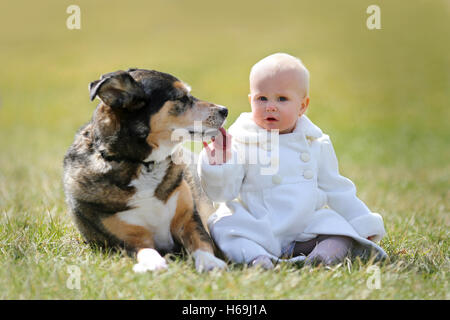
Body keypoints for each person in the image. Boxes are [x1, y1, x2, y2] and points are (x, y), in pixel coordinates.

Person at [198, 53, 387, 269]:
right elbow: (223, 194)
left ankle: (322, 257)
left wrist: (362, 222)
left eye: (282, 99)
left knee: (339, 231)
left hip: (304, 228)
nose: (270, 106)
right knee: (224, 227)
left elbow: (338, 190)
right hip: (257, 224)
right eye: (262, 98)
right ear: (250, 100)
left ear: (303, 106)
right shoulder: (241, 141)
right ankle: (257, 259)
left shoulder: (315, 143)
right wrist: (220, 162)